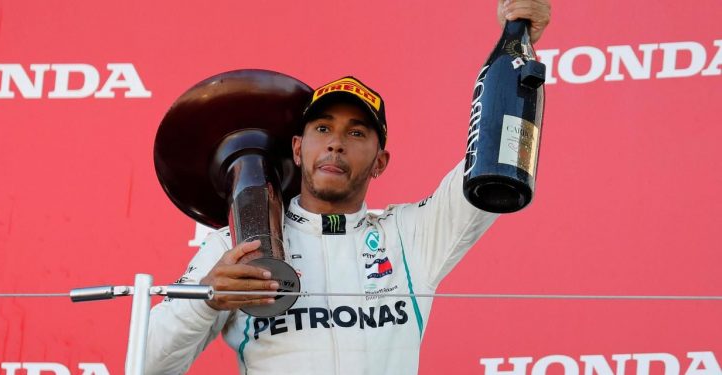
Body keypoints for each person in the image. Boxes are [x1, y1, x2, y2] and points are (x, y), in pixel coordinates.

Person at [146, 1, 551, 374]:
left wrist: (519, 39)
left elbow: (495, 153)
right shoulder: (237, 246)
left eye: (357, 133)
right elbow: (144, 364)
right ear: (299, 150)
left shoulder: (411, 236)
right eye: (323, 129)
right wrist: (204, 302)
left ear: (380, 163)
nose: (336, 142)